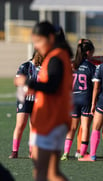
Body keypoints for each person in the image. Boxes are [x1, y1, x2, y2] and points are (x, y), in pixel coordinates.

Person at [14, 21, 73, 181]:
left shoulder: (56, 58)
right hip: (54, 119)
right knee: (52, 173)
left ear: (51, 38)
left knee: (41, 172)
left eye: (39, 41)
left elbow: (52, 86)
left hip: (51, 120)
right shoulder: (59, 55)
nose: (36, 46)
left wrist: (27, 83)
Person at [61, 39, 96, 160]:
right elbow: (95, 85)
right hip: (86, 97)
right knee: (85, 126)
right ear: (88, 52)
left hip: (73, 98)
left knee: (72, 127)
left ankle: (65, 153)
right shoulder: (91, 67)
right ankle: (82, 153)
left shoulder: (72, 65)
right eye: (92, 52)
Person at [9, 51, 43, 159]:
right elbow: (18, 81)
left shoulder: (43, 68)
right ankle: (15, 151)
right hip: (24, 98)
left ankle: (32, 152)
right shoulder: (25, 66)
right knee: (20, 125)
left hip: (36, 99)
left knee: (34, 127)